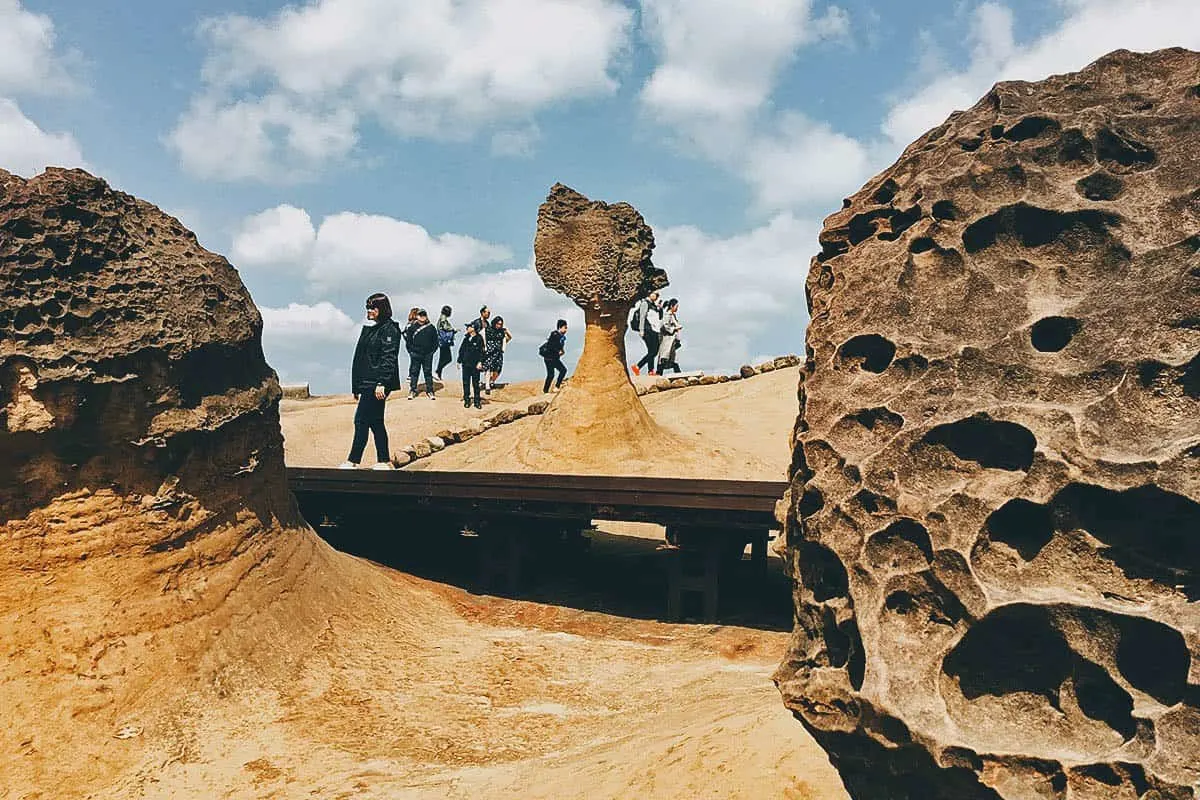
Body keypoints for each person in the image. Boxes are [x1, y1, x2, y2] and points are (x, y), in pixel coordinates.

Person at [340, 292, 401, 470]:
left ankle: (353, 460)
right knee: (375, 422)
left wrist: (382, 382)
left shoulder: (390, 329)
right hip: (366, 383)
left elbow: (389, 357)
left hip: (377, 384)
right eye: (368, 308)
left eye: (372, 308)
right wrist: (356, 386)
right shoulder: (372, 330)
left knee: (361, 420)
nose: (369, 311)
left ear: (381, 309)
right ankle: (384, 460)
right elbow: (361, 359)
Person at [404, 308, 438, 399]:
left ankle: (430, 391)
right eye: (420, 315)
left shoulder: (431, 328)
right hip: (415, 353)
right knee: (414, 372)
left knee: (428, 372)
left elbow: (435, 342)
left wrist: (431, 352)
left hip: (427, 354)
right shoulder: (412, 327)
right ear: (417, 316)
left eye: (424, 315)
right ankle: (413, 390)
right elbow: (408, 341)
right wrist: (411, 351)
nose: (422, 317)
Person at [631, 291, 662, 376]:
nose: (656, 296)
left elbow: (659, 318)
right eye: (655, 294)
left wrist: (660, 309)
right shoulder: (645, 303)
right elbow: (642, 316)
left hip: (654, 330)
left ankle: (647, 370)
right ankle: (642, 368)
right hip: (647, 329)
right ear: (650, 293)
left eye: (657, 295)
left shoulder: (654, 305)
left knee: (653, 351)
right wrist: (641, 330)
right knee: (653, 351)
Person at [458, 321, 486, 408]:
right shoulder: (466, 338)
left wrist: (480, 362)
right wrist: (459, 361)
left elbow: (482, 352)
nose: (467, 328)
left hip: (475, 365)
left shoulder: (479, 339)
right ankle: (467, 400)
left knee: (475, 383)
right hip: (465, 364)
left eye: (469, 326)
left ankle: (477, 401)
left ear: (474, 328)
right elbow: (461, 350)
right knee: (466, 383)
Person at [482, 315, 511, 394]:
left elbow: (509, 337)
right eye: (498, 323)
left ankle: (492, 381)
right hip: (489, 351)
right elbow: (482, 337)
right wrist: (484, 347)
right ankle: (487, 386)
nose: (499, 325)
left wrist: (506, 330)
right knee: (487, 368)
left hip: (498, 352)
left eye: (500, 324)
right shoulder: (488, 329)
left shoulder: (501, 331)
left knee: (497, 369)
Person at [540, 319, 568, 393]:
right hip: (552, 358)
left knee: (551, 375)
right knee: (563, 370)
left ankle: (545, 390)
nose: (566, 330)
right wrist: (559, 351)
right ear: (560, 327)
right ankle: (556, 387)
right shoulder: (555, 335)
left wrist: (561, 351)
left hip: (549, 358)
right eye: (565, 327)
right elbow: (552, 345)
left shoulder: (559, 336)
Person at [656, 298, 683, 374]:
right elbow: (665, 326)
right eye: (676, 306)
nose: (677, 308)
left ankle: (676, 373)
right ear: (672, 306)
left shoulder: (672, 315)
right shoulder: (667, 315)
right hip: (666, 339)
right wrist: (675, 328)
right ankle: (677, 373)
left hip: (671, 339)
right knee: (665, 356)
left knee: (670, 357)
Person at [435, 305, 455, 380]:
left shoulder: (442, 318)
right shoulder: (443, 318)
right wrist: (453, 330)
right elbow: (445, 327)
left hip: (443, 341)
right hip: (444, 341)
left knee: (443, 358)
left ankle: (438, 374)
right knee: (448, 358)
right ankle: (437, 372)